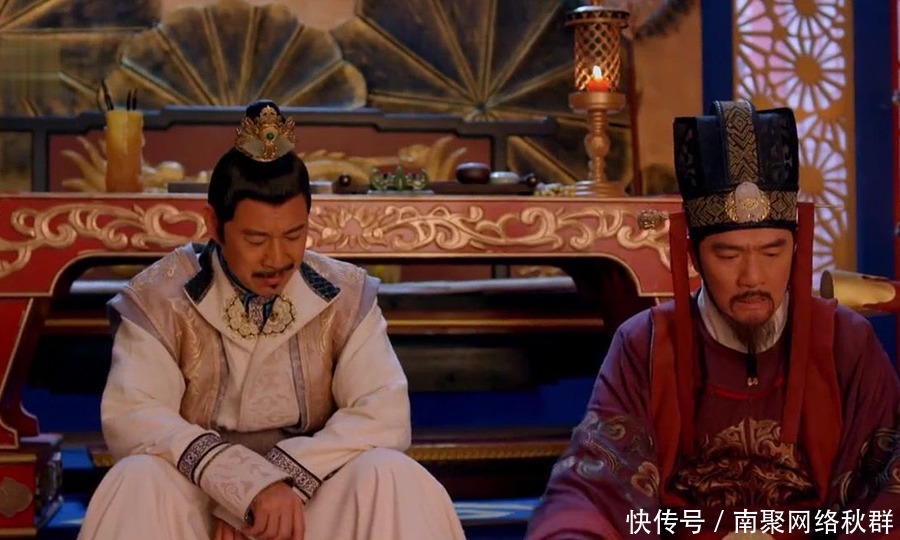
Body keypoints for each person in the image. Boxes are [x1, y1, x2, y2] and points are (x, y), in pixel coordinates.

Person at [78, 100, 466, 540]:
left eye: (294, 235)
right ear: (214, 225)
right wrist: (239, 485)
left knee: (391, 474)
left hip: (305, 500)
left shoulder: (345, 294)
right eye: (256, 238)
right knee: (135, 479)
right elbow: (134, 415)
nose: (278, 258)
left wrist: (277, 481)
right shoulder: (158, 298)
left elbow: (385, 413)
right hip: (200, 503)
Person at [526, 100, 900, 539]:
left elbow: (888, 486)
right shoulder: (646, 344)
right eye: (728, 254)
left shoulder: (843, 342)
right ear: (694, 255)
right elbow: (594, 486)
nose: (753, 277)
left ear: (797, 249)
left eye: (773, 252)